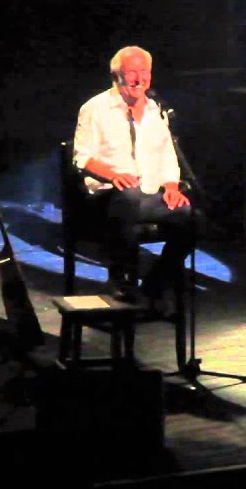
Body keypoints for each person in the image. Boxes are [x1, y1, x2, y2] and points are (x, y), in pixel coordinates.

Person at [72, 45, 199, 308]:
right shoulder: (95, 108)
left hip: (148, 195)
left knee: (192, 217)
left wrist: (172, 187)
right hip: (107, 198)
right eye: (132, 73)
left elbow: (167, 156)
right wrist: (113, 175)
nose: (139, 79)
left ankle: (156, 282)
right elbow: (81, 157)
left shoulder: (155, 111)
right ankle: (121, 278)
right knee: (128, 197)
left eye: (144, 72)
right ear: (116, 75)